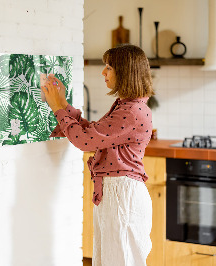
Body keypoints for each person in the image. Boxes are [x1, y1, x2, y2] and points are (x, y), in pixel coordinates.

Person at [42, 44, 154, 266]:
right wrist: (63, 103)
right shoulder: (127, 106)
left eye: (109, 67)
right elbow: (93, 133)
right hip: (117, 193)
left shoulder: (131, 111)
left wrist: (57, 108)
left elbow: (85, 141)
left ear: (125, 72)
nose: (103, 72)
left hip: (122, 195)